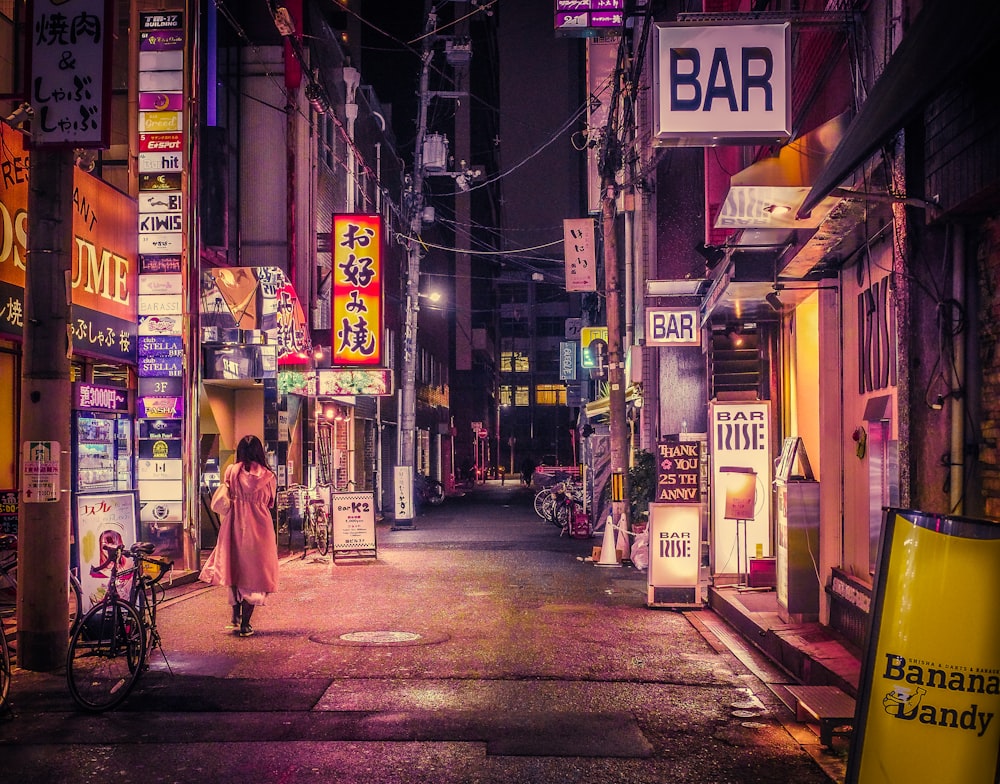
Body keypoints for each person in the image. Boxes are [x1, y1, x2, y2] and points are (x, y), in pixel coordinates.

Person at [199, 434, 278, 637]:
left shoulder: (232, 471)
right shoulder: (269, 476)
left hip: (234, 522)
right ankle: (245, 623)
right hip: (259, 526)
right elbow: (270, 502)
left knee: (234, 566)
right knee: (255, 572)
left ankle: (235, 611)